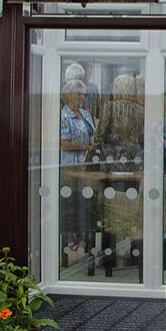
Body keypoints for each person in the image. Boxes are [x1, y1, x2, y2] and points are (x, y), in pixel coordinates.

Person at [59, 79, 97, 268]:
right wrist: (84, 146)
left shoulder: (85, 115)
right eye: (80, 93)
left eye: (84, 93)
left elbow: (93, 136)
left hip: (86, 168)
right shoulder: (63, 116)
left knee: (85, 204)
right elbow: (62, 142)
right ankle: (69, 244)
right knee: (70, 205)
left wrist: (93, 145)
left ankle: (84, 243)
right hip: (69, 169)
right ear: (70, 95)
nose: (83, 97)